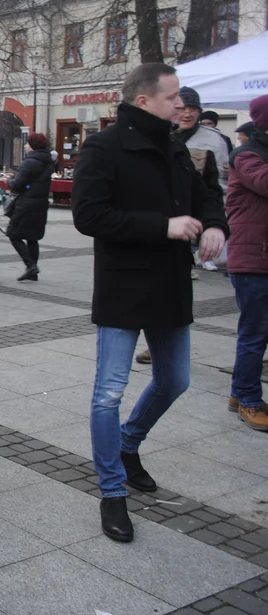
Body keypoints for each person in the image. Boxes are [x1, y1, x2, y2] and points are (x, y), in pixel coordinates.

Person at [73, 63, 227, 543]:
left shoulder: (176, 146)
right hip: (123, 287)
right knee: (108, 392)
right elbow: (89, 215)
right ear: (144, 101)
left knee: (175, 380)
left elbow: (208, 198)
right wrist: (162, 225)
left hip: (170, 286)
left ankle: (128, 443)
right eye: (173, 96)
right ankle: (112, 491)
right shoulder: (103, 146)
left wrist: (216, 224)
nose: (182, 104)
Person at [225, 94, 268, 430]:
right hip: (254, 258)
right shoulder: (247, 155)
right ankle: (249, 399)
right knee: (255, 333)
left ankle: (240, 392)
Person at [176, 86, 230, 272]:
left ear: (199, 112)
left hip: (199, 211)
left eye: (193, 109)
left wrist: (215, 220)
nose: (187, 113)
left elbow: (222, 184)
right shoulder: (164, 135)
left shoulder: (214, 140)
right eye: (182, 108)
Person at [4, 133, 55, 282]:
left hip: (26, 204)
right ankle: (33, 272)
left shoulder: (30, 162)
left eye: (27, 144)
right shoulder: (48, 161)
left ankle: (30, 265)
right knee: (32, 238)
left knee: (13, 234)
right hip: (41, 203)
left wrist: (9, 180)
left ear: (32, 146)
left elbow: (18, 185)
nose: (25, 146)